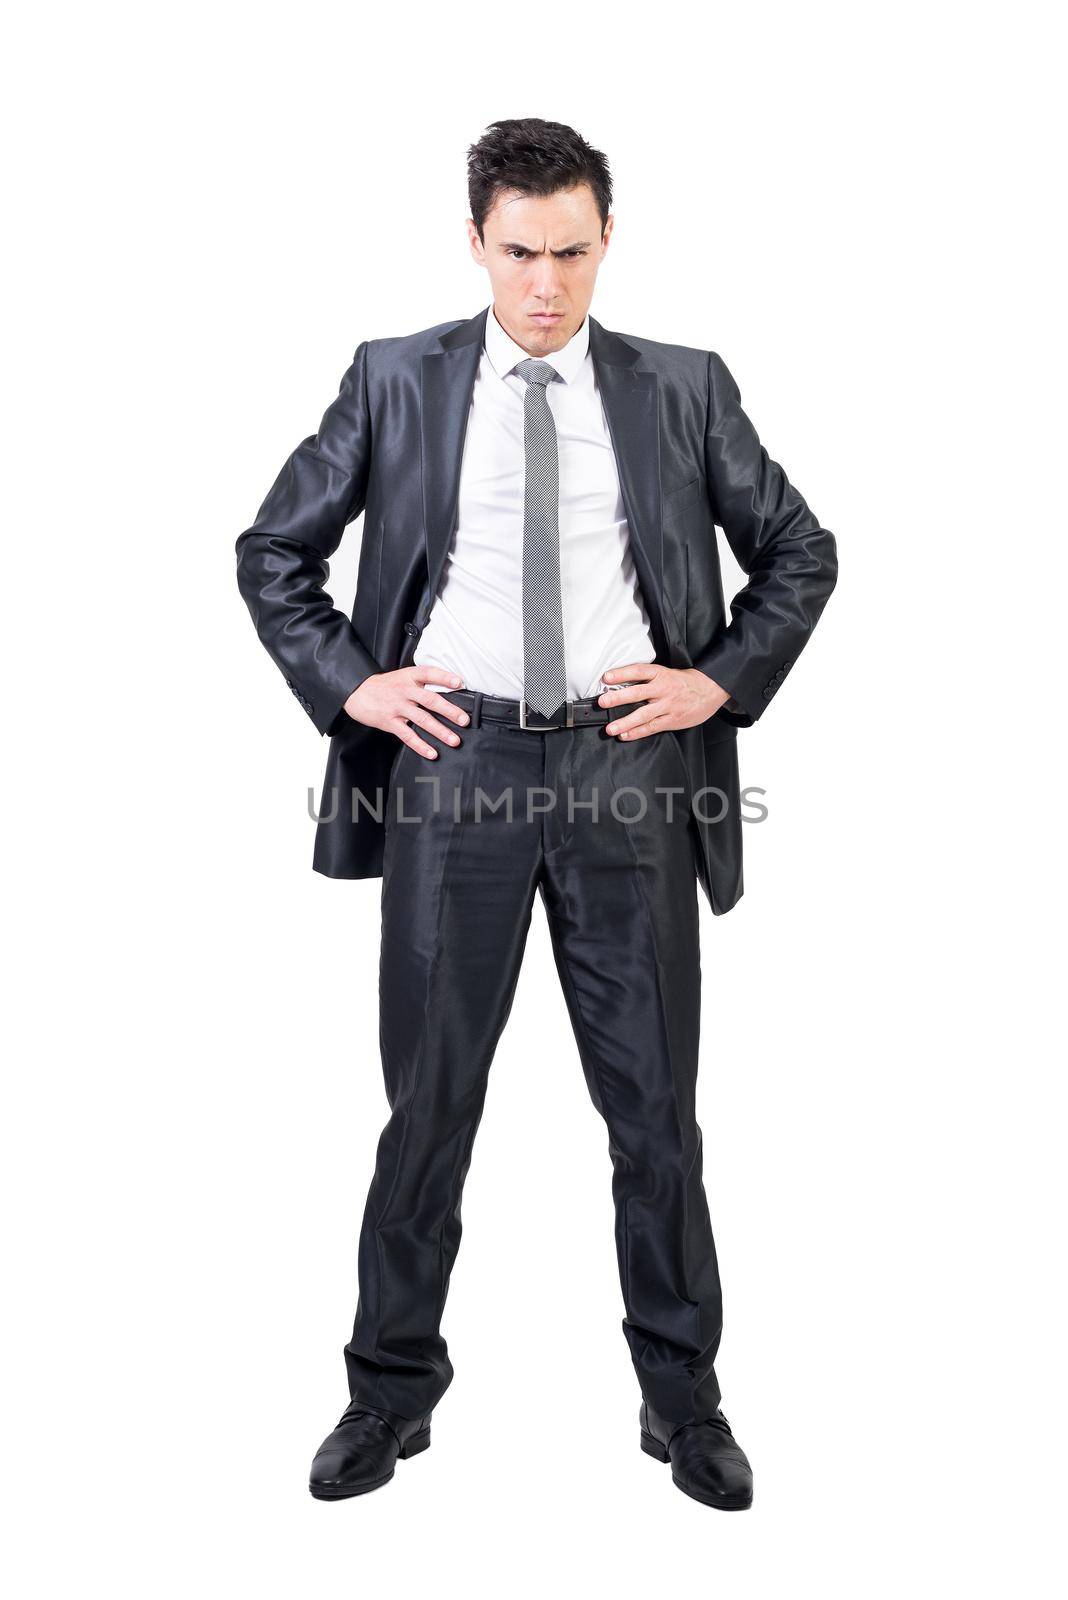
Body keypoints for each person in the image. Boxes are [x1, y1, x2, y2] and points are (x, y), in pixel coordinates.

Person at [235, 116, 837, 1511]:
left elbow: (801, 547)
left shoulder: (683, 386)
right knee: (428, 1110)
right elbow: (275, 549)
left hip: (629, 772)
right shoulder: (397, 379)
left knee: (655, 1116)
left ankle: (682, 1405)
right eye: (521, 253)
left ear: (606, 239)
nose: (549, 284)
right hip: (460, 769)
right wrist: (355, 686)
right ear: (476, 243)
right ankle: (389, 1397)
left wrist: (715, 682)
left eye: (573, 251)